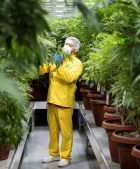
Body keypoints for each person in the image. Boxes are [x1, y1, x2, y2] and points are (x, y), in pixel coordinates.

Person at [39, 37, 83, 167]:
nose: (67, 46)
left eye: (70, 45)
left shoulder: (77, 63)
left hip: (64, 102)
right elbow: (42, 70)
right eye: (65, 44)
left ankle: (65, 157)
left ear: (75, 49)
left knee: (66, 132)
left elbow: (69, 78)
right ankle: (53, 154)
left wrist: (59, 65)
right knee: (53, 130)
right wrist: (41, 56)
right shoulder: (57, 58)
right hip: (52, 100)